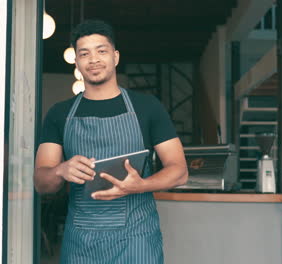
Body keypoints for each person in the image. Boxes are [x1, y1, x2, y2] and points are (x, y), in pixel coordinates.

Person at [34, 19, 188, 263]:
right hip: (81, 244)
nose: (93, 59)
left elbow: (179, 171)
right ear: (76, 61)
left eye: (101, 51)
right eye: (84, 53)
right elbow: (41, 183)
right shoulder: (59, 113)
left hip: (137, 240)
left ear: (115, 57)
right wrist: (60, 170)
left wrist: (139, 185)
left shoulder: (147, 107)